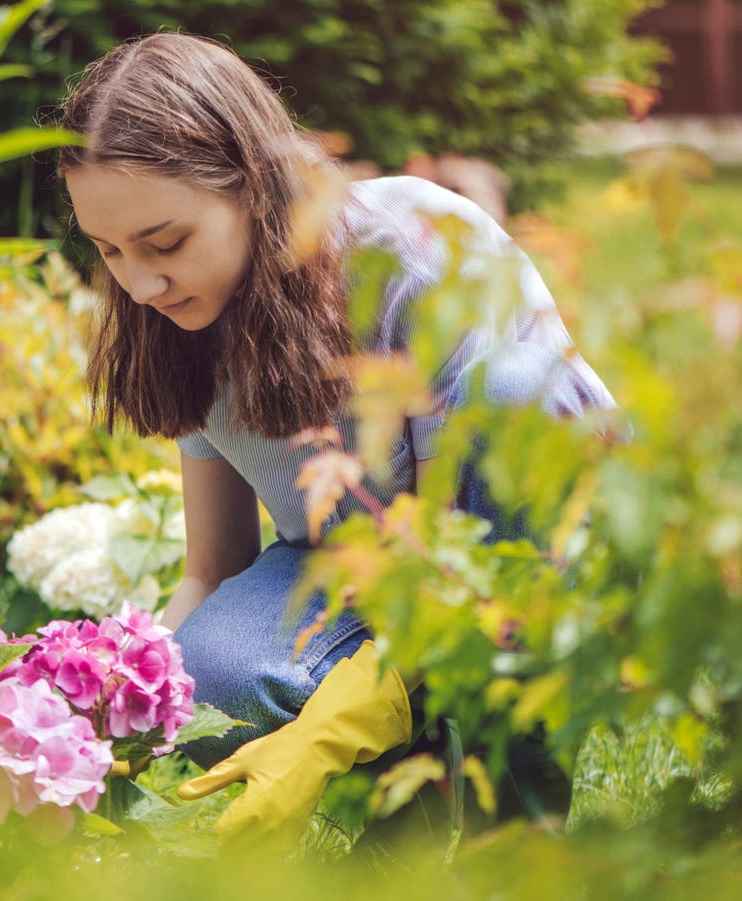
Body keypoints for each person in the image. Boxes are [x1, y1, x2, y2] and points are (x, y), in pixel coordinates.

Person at [56, 33, 616, 850]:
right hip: (363, 562)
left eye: (165, 243)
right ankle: (405, 801)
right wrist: (120, 703)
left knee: (512, 386)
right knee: (217, 656)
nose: (139, 284)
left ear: (250, 186)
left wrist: (337, 721)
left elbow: (448, 548)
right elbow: (213, 568)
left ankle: (518, 801)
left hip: (509, 545)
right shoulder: (174, 326)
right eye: (109, 252)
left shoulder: (403, 252)